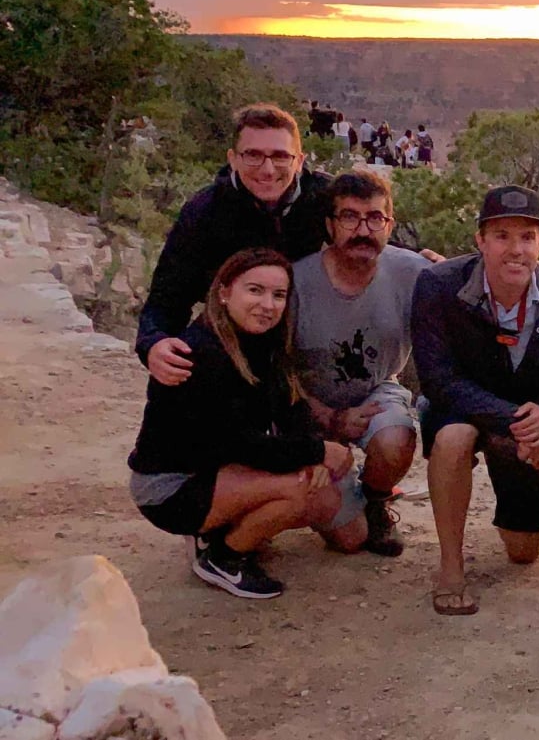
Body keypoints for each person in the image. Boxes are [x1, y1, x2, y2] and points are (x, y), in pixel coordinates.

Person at [127, 248, 354, 600]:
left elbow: (292, 408)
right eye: (255, 290)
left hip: (213, 469)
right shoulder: (198, 353)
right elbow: (234, 443)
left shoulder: (264, 345)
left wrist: (311, 449)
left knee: (321, 495)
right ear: (223, 292)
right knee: (296, 489)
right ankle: (223, 558)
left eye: (278, 295)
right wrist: (317, 451)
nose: (268, 304)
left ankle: (217, 530)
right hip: (170, 486)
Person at [412, 184, 539, 615]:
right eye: (502, 236)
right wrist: (517, 419)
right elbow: (437, 379)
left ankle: (511, 509)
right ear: (480, 241)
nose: (515, 249)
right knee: (452, 439)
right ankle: (451, 566)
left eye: (527, 237)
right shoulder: (439, 286)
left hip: (519, 423)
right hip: (463, 409)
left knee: (524, 552)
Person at [135, 104, 330, 387]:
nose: (267, 169)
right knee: (180, 366)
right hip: (230, 341)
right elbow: (168, 296)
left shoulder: (324, 200)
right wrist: (155, 343)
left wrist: (416, 257)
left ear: (299, 161)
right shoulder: (205, 213)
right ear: (233, 159)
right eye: (253, 155)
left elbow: (371, 237)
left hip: (305, 344)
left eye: (280, 156)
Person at [291, 170, 426, 557]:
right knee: (349, 541)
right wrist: (327, 417)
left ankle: (374, 499)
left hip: (376, 390)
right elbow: (276, 370)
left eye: (374, 218)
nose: (362, 229)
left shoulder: (413, 272)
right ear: (331, 225)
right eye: (349, 217)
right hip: (305, 400)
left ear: (390, 224)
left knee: (396, 439)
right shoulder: (297, 281)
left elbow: (478, 283)